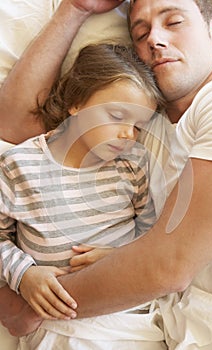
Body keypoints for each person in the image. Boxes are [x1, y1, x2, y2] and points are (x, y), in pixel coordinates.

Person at [0, 0, 212, 349]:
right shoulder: (143, 124)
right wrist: (75, 9)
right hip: (154, 328)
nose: (155, 39)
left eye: (173, 22)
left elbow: (168, 266)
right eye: (141, 32)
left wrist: (27, 308)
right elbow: (17, 125)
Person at [0, 42, 167, 349]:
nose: (128, 134)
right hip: (55, 324)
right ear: (76, 102)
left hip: (129, 319)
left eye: (138, 126)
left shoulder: (132, 167)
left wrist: (123, 259)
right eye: (117, 115)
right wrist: (23, 275)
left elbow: (154, 238)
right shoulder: (18, 166)